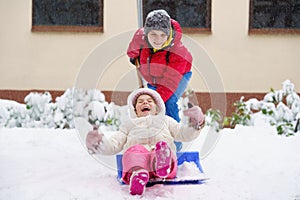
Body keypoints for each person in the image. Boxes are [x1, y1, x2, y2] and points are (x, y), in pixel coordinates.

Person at [86, 88, 205, 196]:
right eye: (140, 101)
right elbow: (114, 143)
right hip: (138, 156)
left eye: (149, 101)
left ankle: (162, 163)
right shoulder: (129, 125)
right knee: (133, 152)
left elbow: (182, 133)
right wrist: (99, 143)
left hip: (162, 153)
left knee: (164, 148)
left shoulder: (165, 121)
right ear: (135, 109)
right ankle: (138, 175)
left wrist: (195, 125)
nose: (145, 103)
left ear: (157, 107)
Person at [127, 9, 193, 151]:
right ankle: (152, 139)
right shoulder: (140, 37)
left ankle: (175, 142)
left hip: (179, 75)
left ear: (168, 33)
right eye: (153, 34)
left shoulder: (178, 53)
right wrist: (133, 55)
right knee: (150, 106)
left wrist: (154, 99)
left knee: (167, 102)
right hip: (154, 77)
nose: (158, 39)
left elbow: (169, 85)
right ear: (146, 34)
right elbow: (132, 49)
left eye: (163, 35)